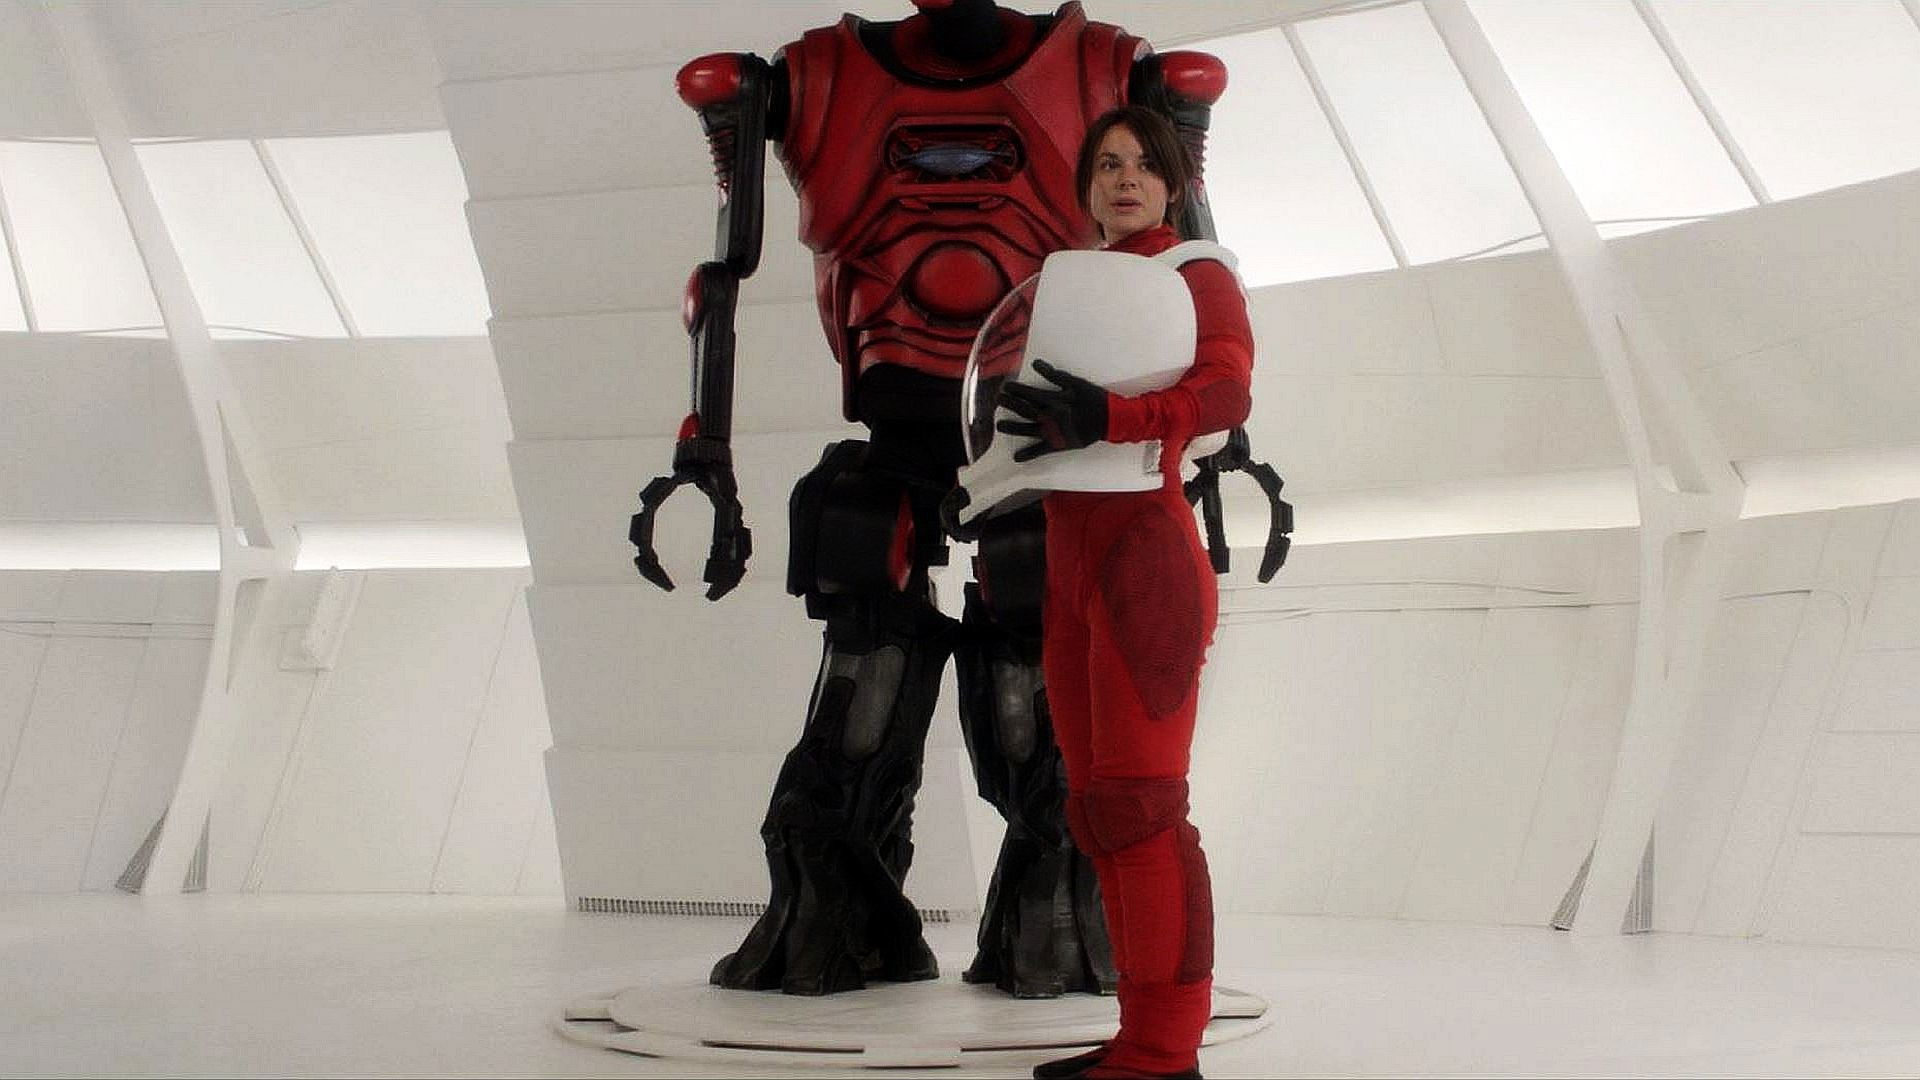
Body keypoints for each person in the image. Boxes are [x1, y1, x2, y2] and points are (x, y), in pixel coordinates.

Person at [997, 106, 1254, 1080]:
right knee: (1099, 811)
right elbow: (1024, 416)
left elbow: (1226, 392)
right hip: (1071, 566)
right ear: (1088, 187)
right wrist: (977, 486)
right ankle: (1140, 1038)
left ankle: (1164, 1054)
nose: (1126, 178)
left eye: (1145, 163)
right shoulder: (1077, 286)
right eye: (1107, 164)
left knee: (1144, 810)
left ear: (1175, 181)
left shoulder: (1194, 272)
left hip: (1146, 559)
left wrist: (1115, 414)